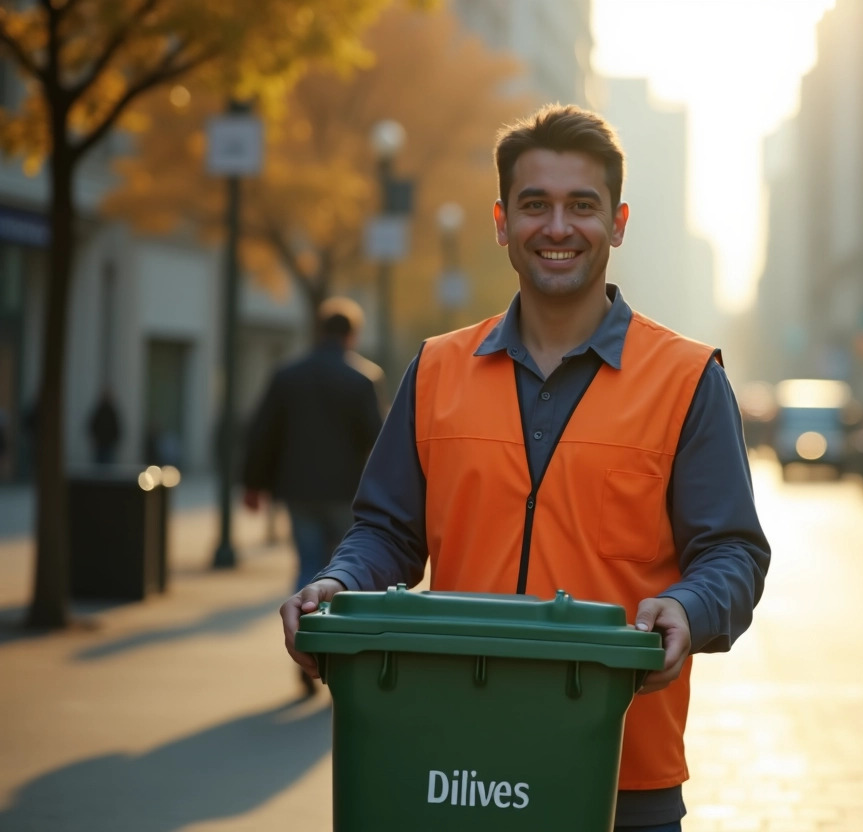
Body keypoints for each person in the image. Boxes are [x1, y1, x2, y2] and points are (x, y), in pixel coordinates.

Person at [279, 105, 770, 831]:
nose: (559, 227)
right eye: (535, 205)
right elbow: (387, 531)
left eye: (583, 206)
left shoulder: (687, 378)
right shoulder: (438, 369)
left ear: (619, 221)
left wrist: (691, 610)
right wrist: (338, 583)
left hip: (620, 777)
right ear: (503, 222)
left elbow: (733, 550)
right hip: (451, 768)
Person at [244, 297, 383, 694]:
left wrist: (254, 484)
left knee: (307, 566)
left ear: (319, 330)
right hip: (346, 493)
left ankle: (303, 648)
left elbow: (264, 433)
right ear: (351, 334)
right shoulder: (362, 379)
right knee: (346, 573)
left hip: (299, 490)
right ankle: (338, 661)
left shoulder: (288, 375)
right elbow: (378, 441)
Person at [87, 390, 123, 465]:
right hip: (101, 445)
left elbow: (117, 428)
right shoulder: (100, 411)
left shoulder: (111, 412)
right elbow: (92, 426)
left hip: (108, 446)